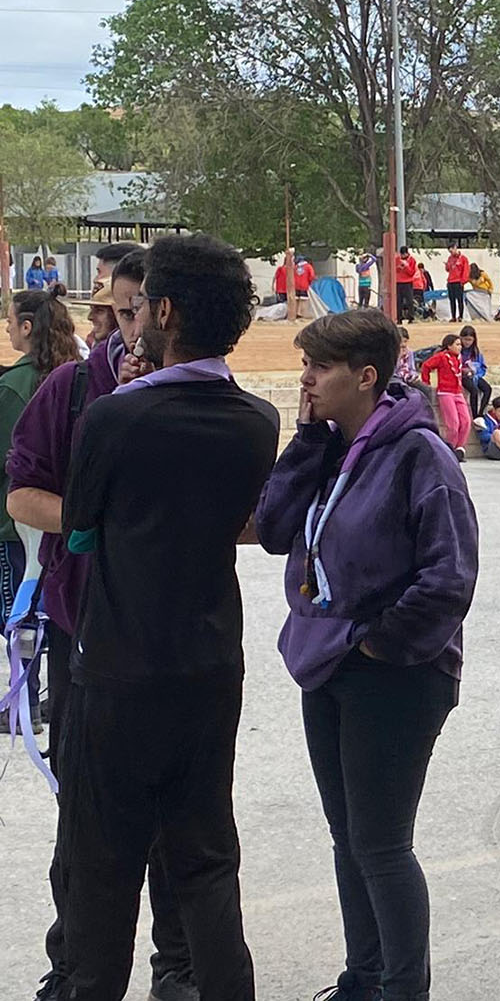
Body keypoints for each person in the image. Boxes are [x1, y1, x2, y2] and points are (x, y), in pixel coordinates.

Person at [57, 233, 279, 999]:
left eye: (145, 299)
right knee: (207, 857)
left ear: (166, 312)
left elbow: (79, 531)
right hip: (210, 663)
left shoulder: (114, 418)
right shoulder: (257, 420)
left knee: (101, 864)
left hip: (118, 666)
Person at [255, 308, 477, 1001]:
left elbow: (450, 576)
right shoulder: (330, 446)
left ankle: (403, 989)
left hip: (396, 671)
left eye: (319, 367)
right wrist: (304, 440)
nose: (306, 378)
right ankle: (364, 978)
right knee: (347, 836)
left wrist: (379, 642)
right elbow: (274, 528)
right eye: (305, 364)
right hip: (326, 662)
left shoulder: (420, 454)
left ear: (366, 376)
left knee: (380, 843)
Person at [8, 248, 201, 1001]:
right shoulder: (71, 387)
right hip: (82, 627)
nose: (133, 329)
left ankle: (178, 964)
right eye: (121, 312)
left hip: (177, 632)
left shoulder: (202, 395)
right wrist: (95, 524)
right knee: (84, 812)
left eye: (144, 311)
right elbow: (23, 492)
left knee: (181, 814)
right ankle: (74, 963)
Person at [0, 289, 81, 731]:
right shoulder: (68, 376)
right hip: (56, 519)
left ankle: (23, 703)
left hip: (17, 524)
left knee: (20, 616)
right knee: (51, 611)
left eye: (11, 321)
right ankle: (51, 697)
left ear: (28, 327)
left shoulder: (14, 386)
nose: (8, 328)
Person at [420, 334, 470, 461]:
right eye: (457, 344)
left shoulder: (459, 358)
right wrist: (426, 383)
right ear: (449, 346)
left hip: (458, 392)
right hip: (445, 392)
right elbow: (426, 366)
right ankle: (449, 449)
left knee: (466, 421)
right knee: (453, 423)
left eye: (460, 345)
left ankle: (460, 449)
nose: (460, 347)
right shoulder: (442, 357)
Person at [457, 324, 492, 419]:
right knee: (474, 390)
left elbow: (482, 367)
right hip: (462, 376)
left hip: (475, 375)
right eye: (465, 339)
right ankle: (474, 415)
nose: (467, 342)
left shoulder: (475, 352)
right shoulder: (458, 350)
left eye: (470, 340)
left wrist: (475, 372)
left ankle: (481, 412)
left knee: (487, 389)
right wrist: (463, 370)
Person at [479, 395, 500, 460]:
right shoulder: (485, 420)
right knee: (497, 432)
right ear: (494, 410)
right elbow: (483, 436)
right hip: (492, 450)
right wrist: (497, 436)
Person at [445, 246, 470, 323]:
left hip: (458, 282)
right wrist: (447, 266)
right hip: (450, 281)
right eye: (450, 251)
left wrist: (463, 281)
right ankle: (453, 316)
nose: (451, 253)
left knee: (460, 300)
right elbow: (448, 270)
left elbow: (466, 271)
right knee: (452, 300)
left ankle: (460, 316)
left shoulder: (463, 258)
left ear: (455, 248)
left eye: (452, 250)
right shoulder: (450, 258)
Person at [395, 247, 418, 323]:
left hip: (408, 282)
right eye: (401, 254)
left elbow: (412, 273)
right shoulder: (397, 259)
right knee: (399, 301)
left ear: (407, 253)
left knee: (409, 300)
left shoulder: (412, 260)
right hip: (398, 282)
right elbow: (395, 270)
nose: (402, 256)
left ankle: (411, 317)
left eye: (404, 254)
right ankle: (399, 318)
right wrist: (399, 267)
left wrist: (406, 266)